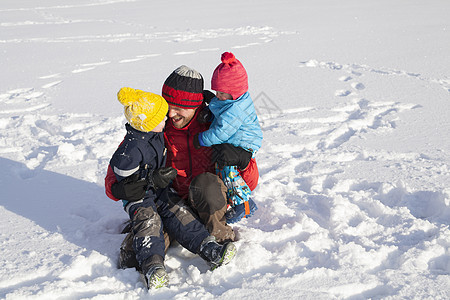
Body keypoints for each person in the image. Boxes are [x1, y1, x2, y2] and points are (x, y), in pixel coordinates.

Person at [106, 87, 236, 289]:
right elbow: (120, 176)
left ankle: (210, 248)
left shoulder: (159, 133)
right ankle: (153, 268)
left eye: (178, 109)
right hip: (142, 197)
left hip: (167, 193)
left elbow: (243, 173)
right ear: (148, 122)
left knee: (182, 216)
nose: (168, 116)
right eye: (163, 115)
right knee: (149, 225)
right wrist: (132, 185)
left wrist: (217, 110)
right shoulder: (134, 146)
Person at [193, 52, 263, 223]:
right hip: (236, 141)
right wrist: (210, 113)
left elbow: (221, 132)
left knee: (229, 171)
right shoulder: (232, 100)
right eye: (216, 91)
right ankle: (232, 199)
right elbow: (221, 113)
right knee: (221, 167)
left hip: (244, 144)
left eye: (222, 93)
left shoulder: (236, 109)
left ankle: (244, 204)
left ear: (235, 92)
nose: (218, 95)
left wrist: (201, 139)